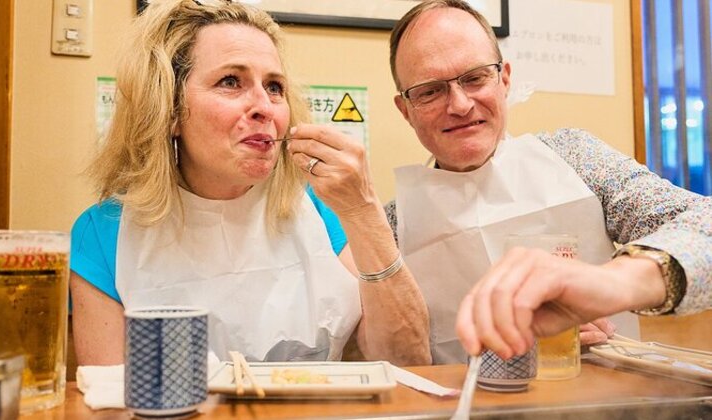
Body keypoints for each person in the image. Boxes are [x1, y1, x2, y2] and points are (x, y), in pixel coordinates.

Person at [70, 0, 431, 367]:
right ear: (170, 111)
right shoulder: (101, 235)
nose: (265, 106)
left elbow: (408, 360)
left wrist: (363, 210)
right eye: (231, 82)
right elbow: (108, 401)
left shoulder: (322, 209)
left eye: (274, 87)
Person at [385, 0, 712, 363]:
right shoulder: (395, 225)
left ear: (504, 79)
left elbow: (705, 224)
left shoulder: (576, 158)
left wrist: (613, 284)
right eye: (430, 90)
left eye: (475, 78)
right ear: (405, 111)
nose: (460, 105)